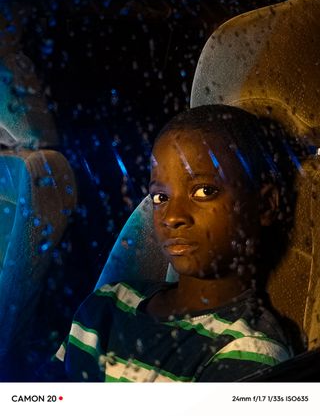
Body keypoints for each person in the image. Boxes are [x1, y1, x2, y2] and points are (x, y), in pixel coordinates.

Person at [40, 104, 307, 382]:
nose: (172, 216)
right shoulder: (106, 304)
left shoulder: (247, 351)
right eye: (160, 198)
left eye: (204, 191)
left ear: (264, 205)